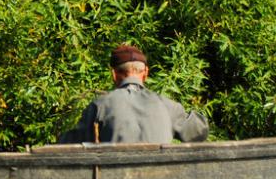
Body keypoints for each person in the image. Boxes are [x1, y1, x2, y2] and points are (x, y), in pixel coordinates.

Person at [58, 44, 209, 144]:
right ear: (146, 73)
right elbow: (198, 132)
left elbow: (70, 143)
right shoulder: (168, 106)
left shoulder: (99, 107)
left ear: (114, 74)